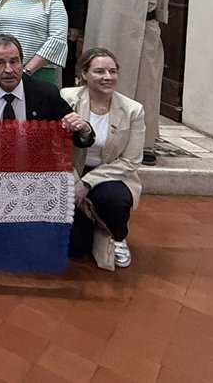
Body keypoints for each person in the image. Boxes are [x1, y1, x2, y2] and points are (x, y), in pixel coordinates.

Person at [84, 0, 171, 165]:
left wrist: (158, 19)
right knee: (101, 83)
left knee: (145, 85)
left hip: (141, 30)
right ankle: (99, 139)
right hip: (104, 26)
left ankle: (145, 143)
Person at [61, 48, 144, 270]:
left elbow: (130, 161)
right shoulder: (66, 98)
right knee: (76, 248)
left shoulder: (133, 110)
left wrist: (87, 183)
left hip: (112, 173)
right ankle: (92, 228)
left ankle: (118, 236)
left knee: (114, 199)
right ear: (84, 74)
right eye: (99, 71)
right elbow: (57, 147)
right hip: (72, 171)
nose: (108, 77)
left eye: (112, 71)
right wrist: (75, 180)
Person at [0, 35, 95, 150]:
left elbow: (76, 136)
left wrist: (84, 130)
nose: (8, 69)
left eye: (14, 61)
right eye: (0, 63)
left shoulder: (45, 92)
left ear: (22, 61)